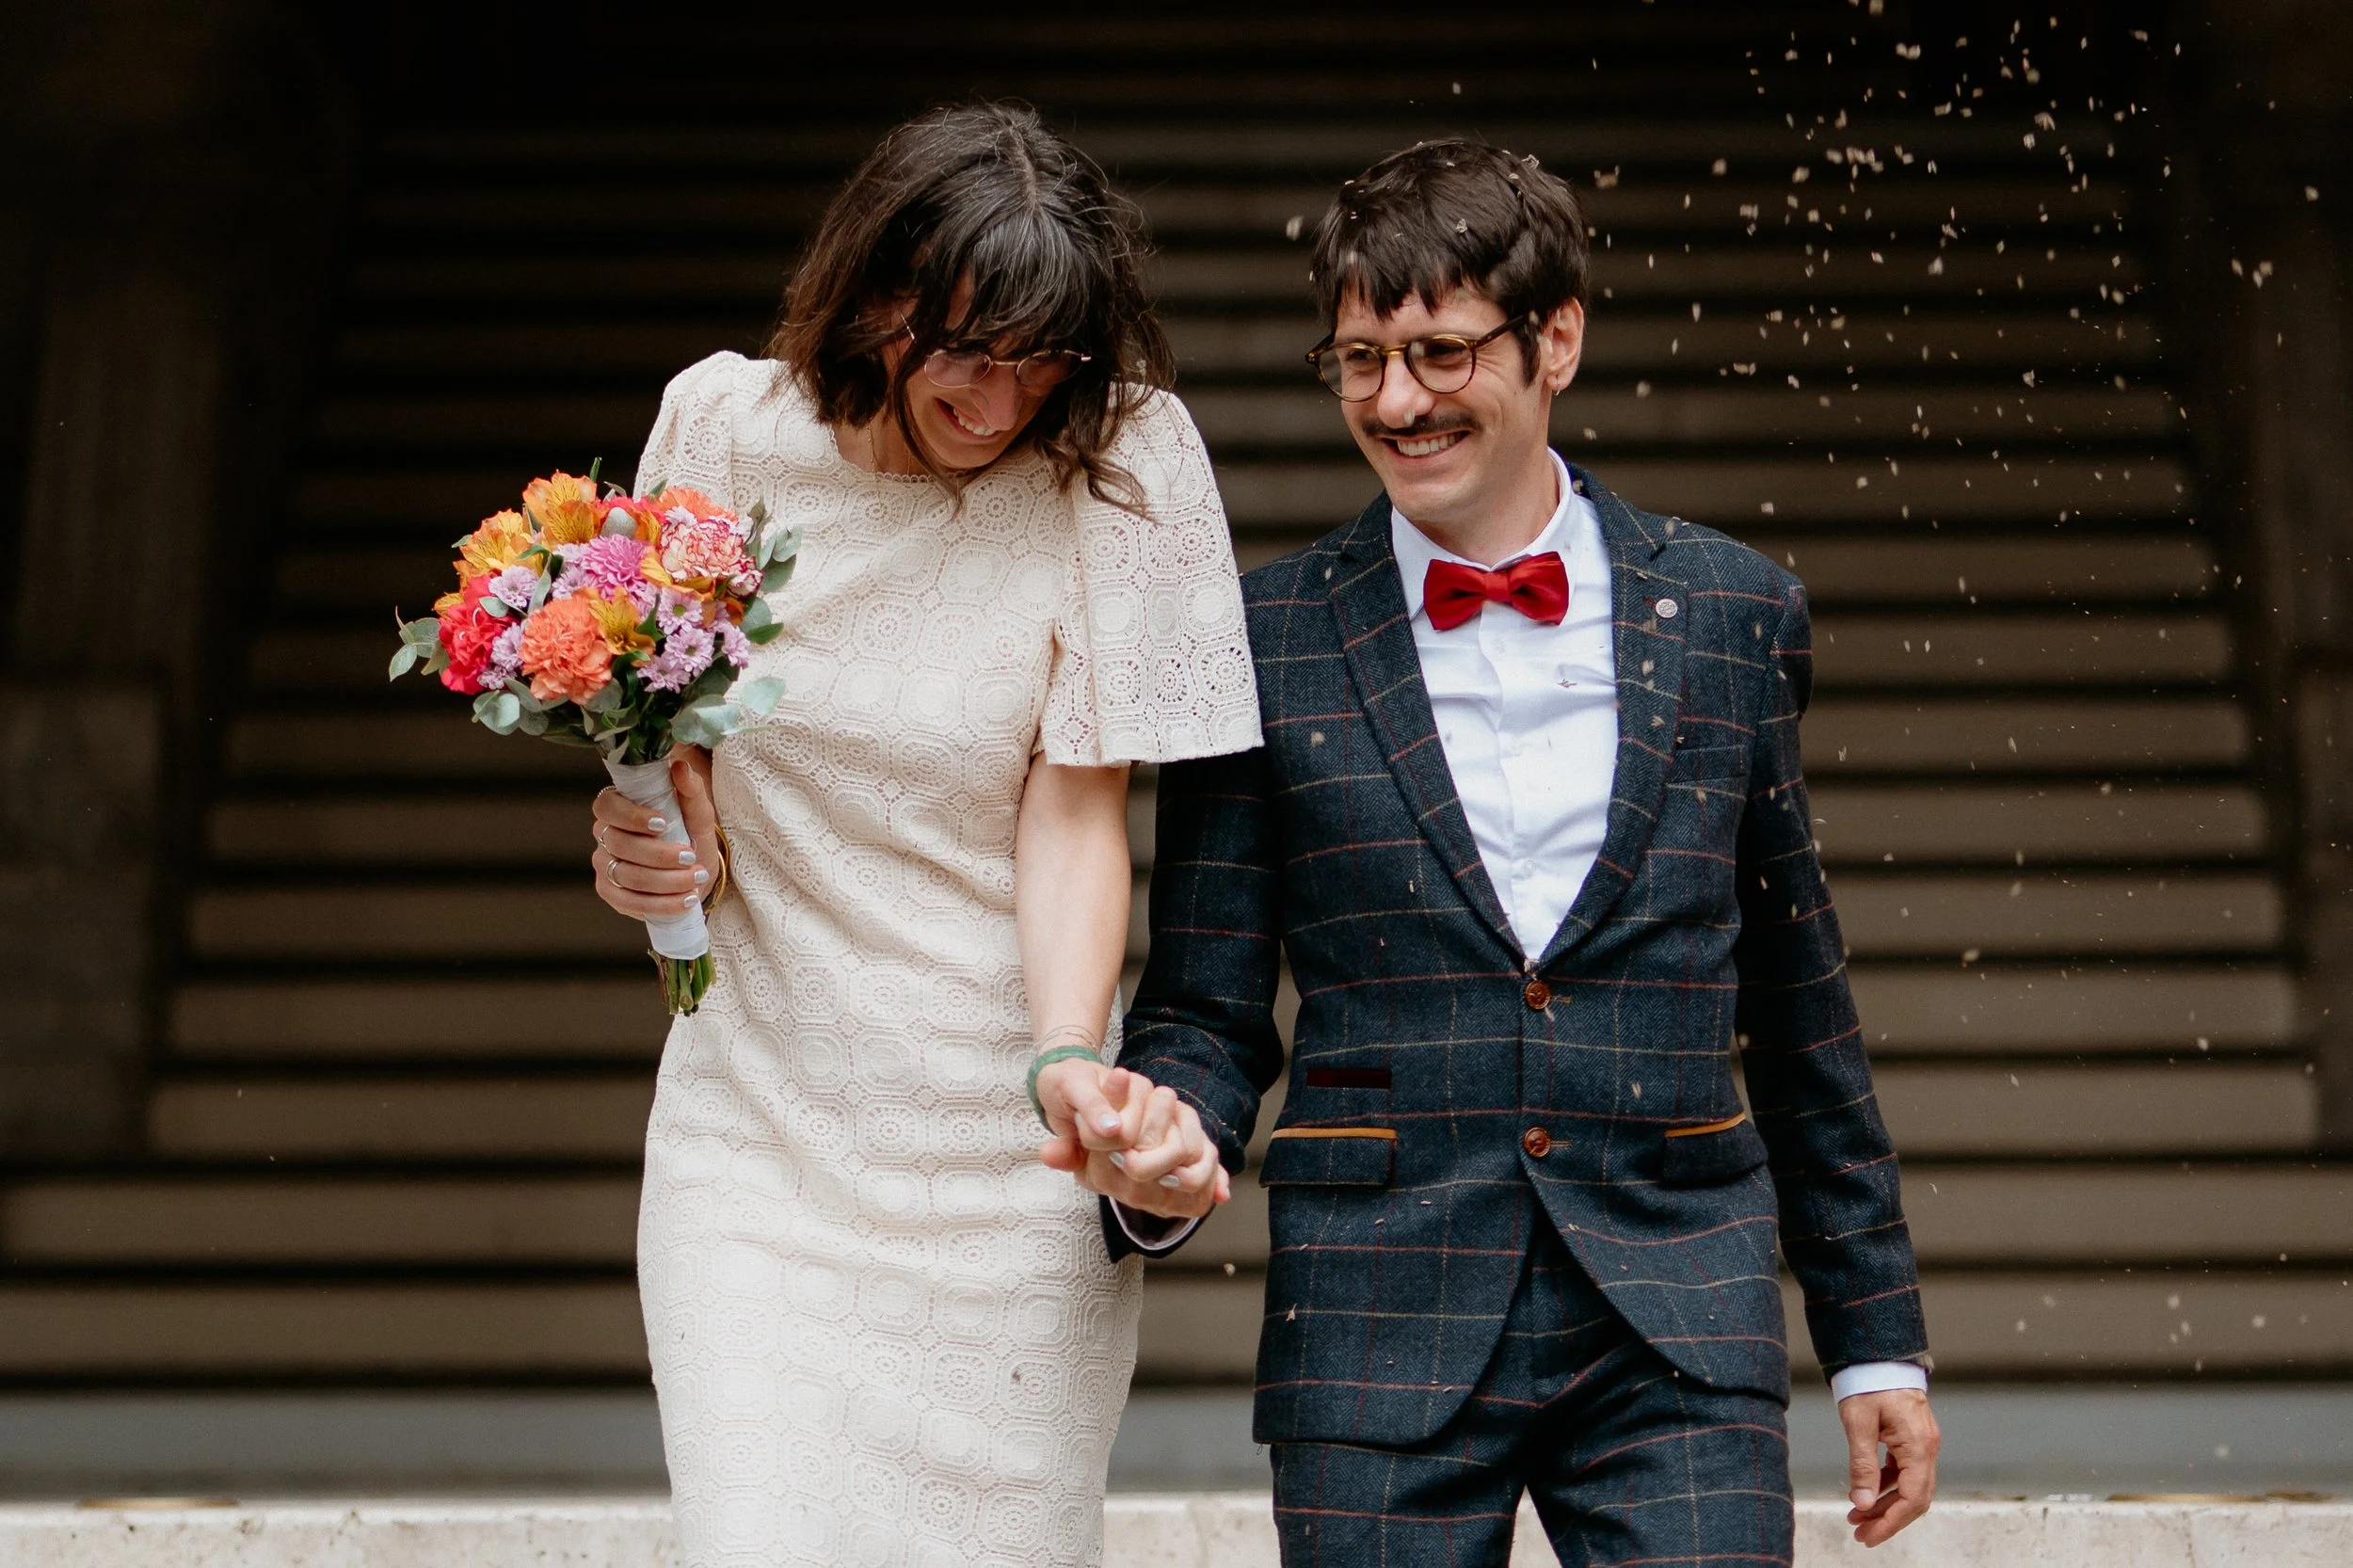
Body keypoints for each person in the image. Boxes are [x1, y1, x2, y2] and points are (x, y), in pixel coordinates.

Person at [1045, 140, 1940, 1565]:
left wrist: (1876, 1338)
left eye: (1439, 352)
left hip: (1675, 1315)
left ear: (1557, 340)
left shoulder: (1730, 613)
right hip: (1376, 1322)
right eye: (1358, 360)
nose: (1396, 401)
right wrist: (1158, 1159)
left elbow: (1797, 1000)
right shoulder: (1258, 642)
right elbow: (1207, 1006)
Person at [588, 102, 1249, 1568]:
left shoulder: (1125, 461)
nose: (1000, 399)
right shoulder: (716, 426)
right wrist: (638, 845)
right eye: (963, 347)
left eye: (1043, 358)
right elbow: (670, 751)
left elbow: (1076, 806)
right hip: (753, 1147)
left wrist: (1069, 1056)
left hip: (999, 1169)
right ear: (873, 294)